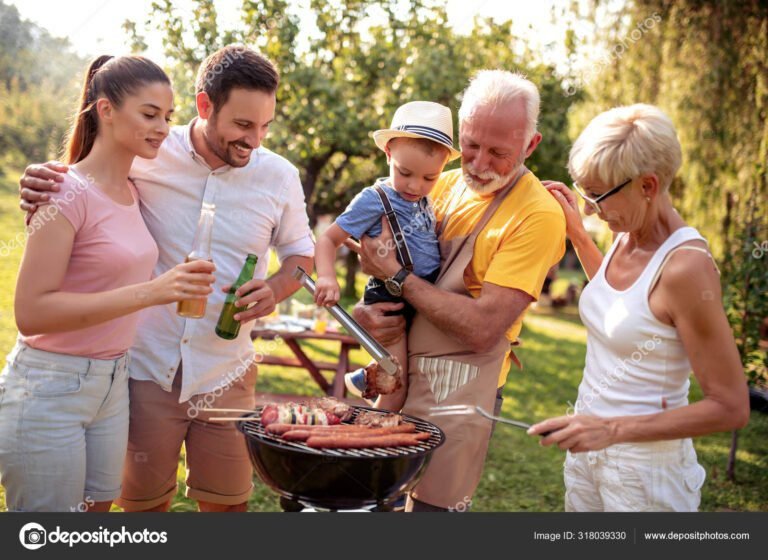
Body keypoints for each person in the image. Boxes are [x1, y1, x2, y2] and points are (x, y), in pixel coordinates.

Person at [17, 45, 315, 512]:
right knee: (142, 507)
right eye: (242, 125)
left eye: (265, 126)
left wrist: (276, 288)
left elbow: (301, 254)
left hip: (226, 370)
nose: (255, 140)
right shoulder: (149, 148)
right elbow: (89, 173)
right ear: (204, 106)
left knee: (229, 506)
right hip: (144, 368)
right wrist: (43, 179)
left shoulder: (278, 176)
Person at [0, 56, 216, 512]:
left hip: (112, 384)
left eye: (168, 116)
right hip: (49, 385)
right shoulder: (63, 190)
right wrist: (154, 292)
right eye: (149, 114)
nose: (162, 128)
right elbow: (31, 312)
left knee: (95, 518)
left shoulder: (134, 189)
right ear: (106, 110)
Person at [351, 70, 566, 511]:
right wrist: (367, 316)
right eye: (470, 145)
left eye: (498, 152)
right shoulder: (437, 183)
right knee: (370, 502)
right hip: (400, 375)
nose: (479, 164)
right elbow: (381, 269)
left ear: (530, 146)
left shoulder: (537, 216)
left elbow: (483, 328)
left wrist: (396, 277)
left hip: (462, 391)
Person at [527, 104, 749, 511]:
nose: (591, 207)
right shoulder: (627, 232)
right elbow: (624, 305)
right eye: (585, 193)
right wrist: (578, 233)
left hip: (645, 475)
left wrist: (611, 429)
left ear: (648, 185)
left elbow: (731, 406)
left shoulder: (686, 268)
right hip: (590, 455)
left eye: (598, 195)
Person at [313, 101, 460, 408]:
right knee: (396, 387)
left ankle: (363, 378)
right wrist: (326, 277)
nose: (415, 185)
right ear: (388, 153)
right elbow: (328, 239)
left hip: (420, 294)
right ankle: (373, 444)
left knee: (411, 371)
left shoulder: (424, 200)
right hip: (389, 297)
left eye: (429, 178)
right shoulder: (374, 199)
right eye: (404, 173)